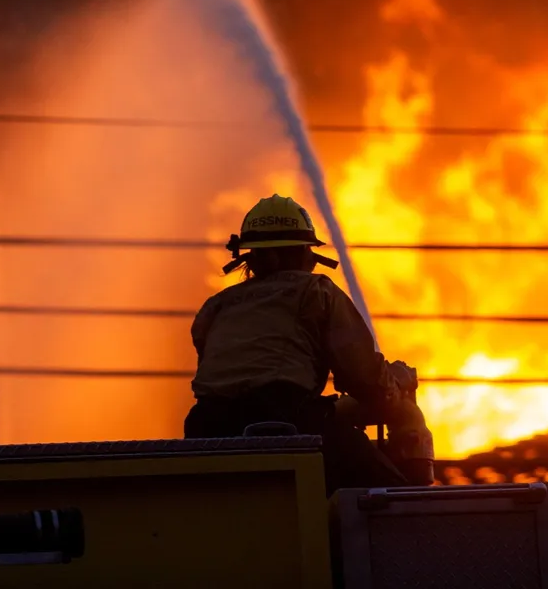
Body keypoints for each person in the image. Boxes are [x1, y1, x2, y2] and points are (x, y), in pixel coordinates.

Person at [184, 194, 434, 494]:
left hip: (206, 432)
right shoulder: (318, 292)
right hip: (289, 423)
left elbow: (222, 373)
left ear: (249, 257)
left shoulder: (216, 306)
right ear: (301, 253)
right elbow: (365, 379)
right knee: (390, 495)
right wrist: (395, 387)